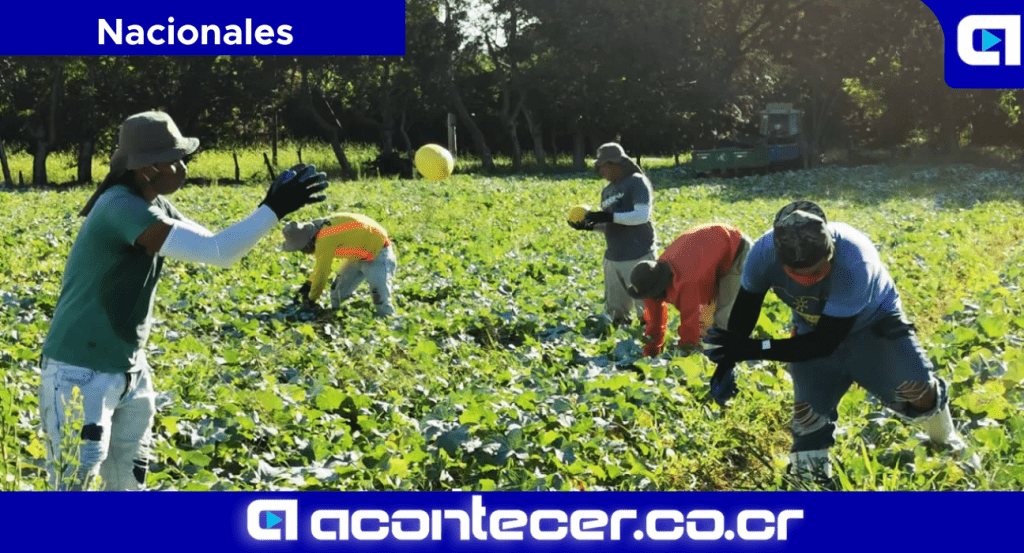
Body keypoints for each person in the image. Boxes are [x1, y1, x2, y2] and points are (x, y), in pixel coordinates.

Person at [39, 111, 328, 490]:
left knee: (127, 481)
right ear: (146, 167)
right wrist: (273, 208)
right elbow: (219, 251)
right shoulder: (122, 208)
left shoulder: (151, 203)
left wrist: (269, 207)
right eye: (173, 159)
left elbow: (216, 243)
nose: (181, 167)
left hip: (128, 367)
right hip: (80, 370)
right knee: (71, 488)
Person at [702, 200, 966, 483]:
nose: (809, 280)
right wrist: (727, 360)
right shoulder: (763, 254)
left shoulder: (854, 262)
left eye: (818, 270)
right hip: (811, 325)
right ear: (781, 262)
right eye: (798, 274)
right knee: (808, 414)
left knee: (917, 389)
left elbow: (823, 344)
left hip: (875, 322)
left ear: (831, 249)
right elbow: (747, 307)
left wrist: (756, 349)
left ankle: (945, 440)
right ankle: (811, 481)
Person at [626, 223, 751, 365]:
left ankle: (733, 361)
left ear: (661, 287)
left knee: (723, 318)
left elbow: (694, 320)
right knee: (709, 322)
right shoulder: (650, 277)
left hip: (737, 251)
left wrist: (686, 353)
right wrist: (651, 352)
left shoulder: (690, 282)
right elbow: (654, 320)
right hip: (709, 252)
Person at [568, 142, 657, 325]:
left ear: (616, 163)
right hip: (613, 258)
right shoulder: (607, 191)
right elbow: (611, 224)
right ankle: (619, 347)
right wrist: (590, 226)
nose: (600, 170)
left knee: (648, 312)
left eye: (603, 166)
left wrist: (608, 216)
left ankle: (650, 347)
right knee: (616, 313)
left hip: (638, 255)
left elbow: (641, 215)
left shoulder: (636, 182)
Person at [281, 213, 397, 317]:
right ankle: (336, 317)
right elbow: (319, 267)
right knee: (337, 294)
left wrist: (312, 299)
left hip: (378, 251)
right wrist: (308, 284)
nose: (304, 253)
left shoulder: (324, 239)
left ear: (306, 243)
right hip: (357, 254)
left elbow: (323, 272)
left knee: (379, 297)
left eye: (301, 248)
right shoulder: (319, 230)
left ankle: (389, 321)